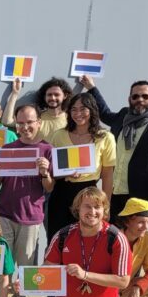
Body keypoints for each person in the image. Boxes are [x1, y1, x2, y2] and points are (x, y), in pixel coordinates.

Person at [41, 187, 131, 297]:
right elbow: (47, 269)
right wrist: (27, 283)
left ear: (104, 210)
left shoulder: (116, 239)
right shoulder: (64, 235)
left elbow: (123, 281)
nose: (92, 212)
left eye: (97, 207)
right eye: (87, 207)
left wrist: (85, 275)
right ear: (78, 209)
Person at [0, 104, 55, 297]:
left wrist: (45, 172)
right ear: (16, 124)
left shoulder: (47, 150)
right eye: (21, 123)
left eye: (30, 122)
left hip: (31, 218)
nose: (25, 126)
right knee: (2, 263)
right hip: (4, 214)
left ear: (38, 123)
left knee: (25, 267)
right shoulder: (7, 149)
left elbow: (49, 188)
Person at [79, 76, 148, 218]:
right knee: (112, 235)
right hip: (114, 191)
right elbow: (105, 113)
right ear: (130, 98)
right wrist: (92, 88)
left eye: (145, 96)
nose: (140, 100)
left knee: (134, 236)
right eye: (135, 96)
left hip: (141, 195)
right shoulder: (123, 116)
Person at [47, 93, 117, 242]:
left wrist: (106, 206)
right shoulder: (59, 135)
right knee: (57, 240)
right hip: (61, 194)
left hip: (89, 194)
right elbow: (52, 171)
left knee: (84, 240)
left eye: (83, 109)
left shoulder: (105, 137)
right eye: (73, 109)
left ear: (92, 110)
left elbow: (107, 175)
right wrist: (64, 174)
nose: (78, 114)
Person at [4, 77, 71, 142]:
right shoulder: (36, 117)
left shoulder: (71, 118)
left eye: (56, 95)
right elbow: (7, 121)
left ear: (65, 96)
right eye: (49, 95)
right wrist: (15, 93)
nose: (53, 98)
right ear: (44, 96)